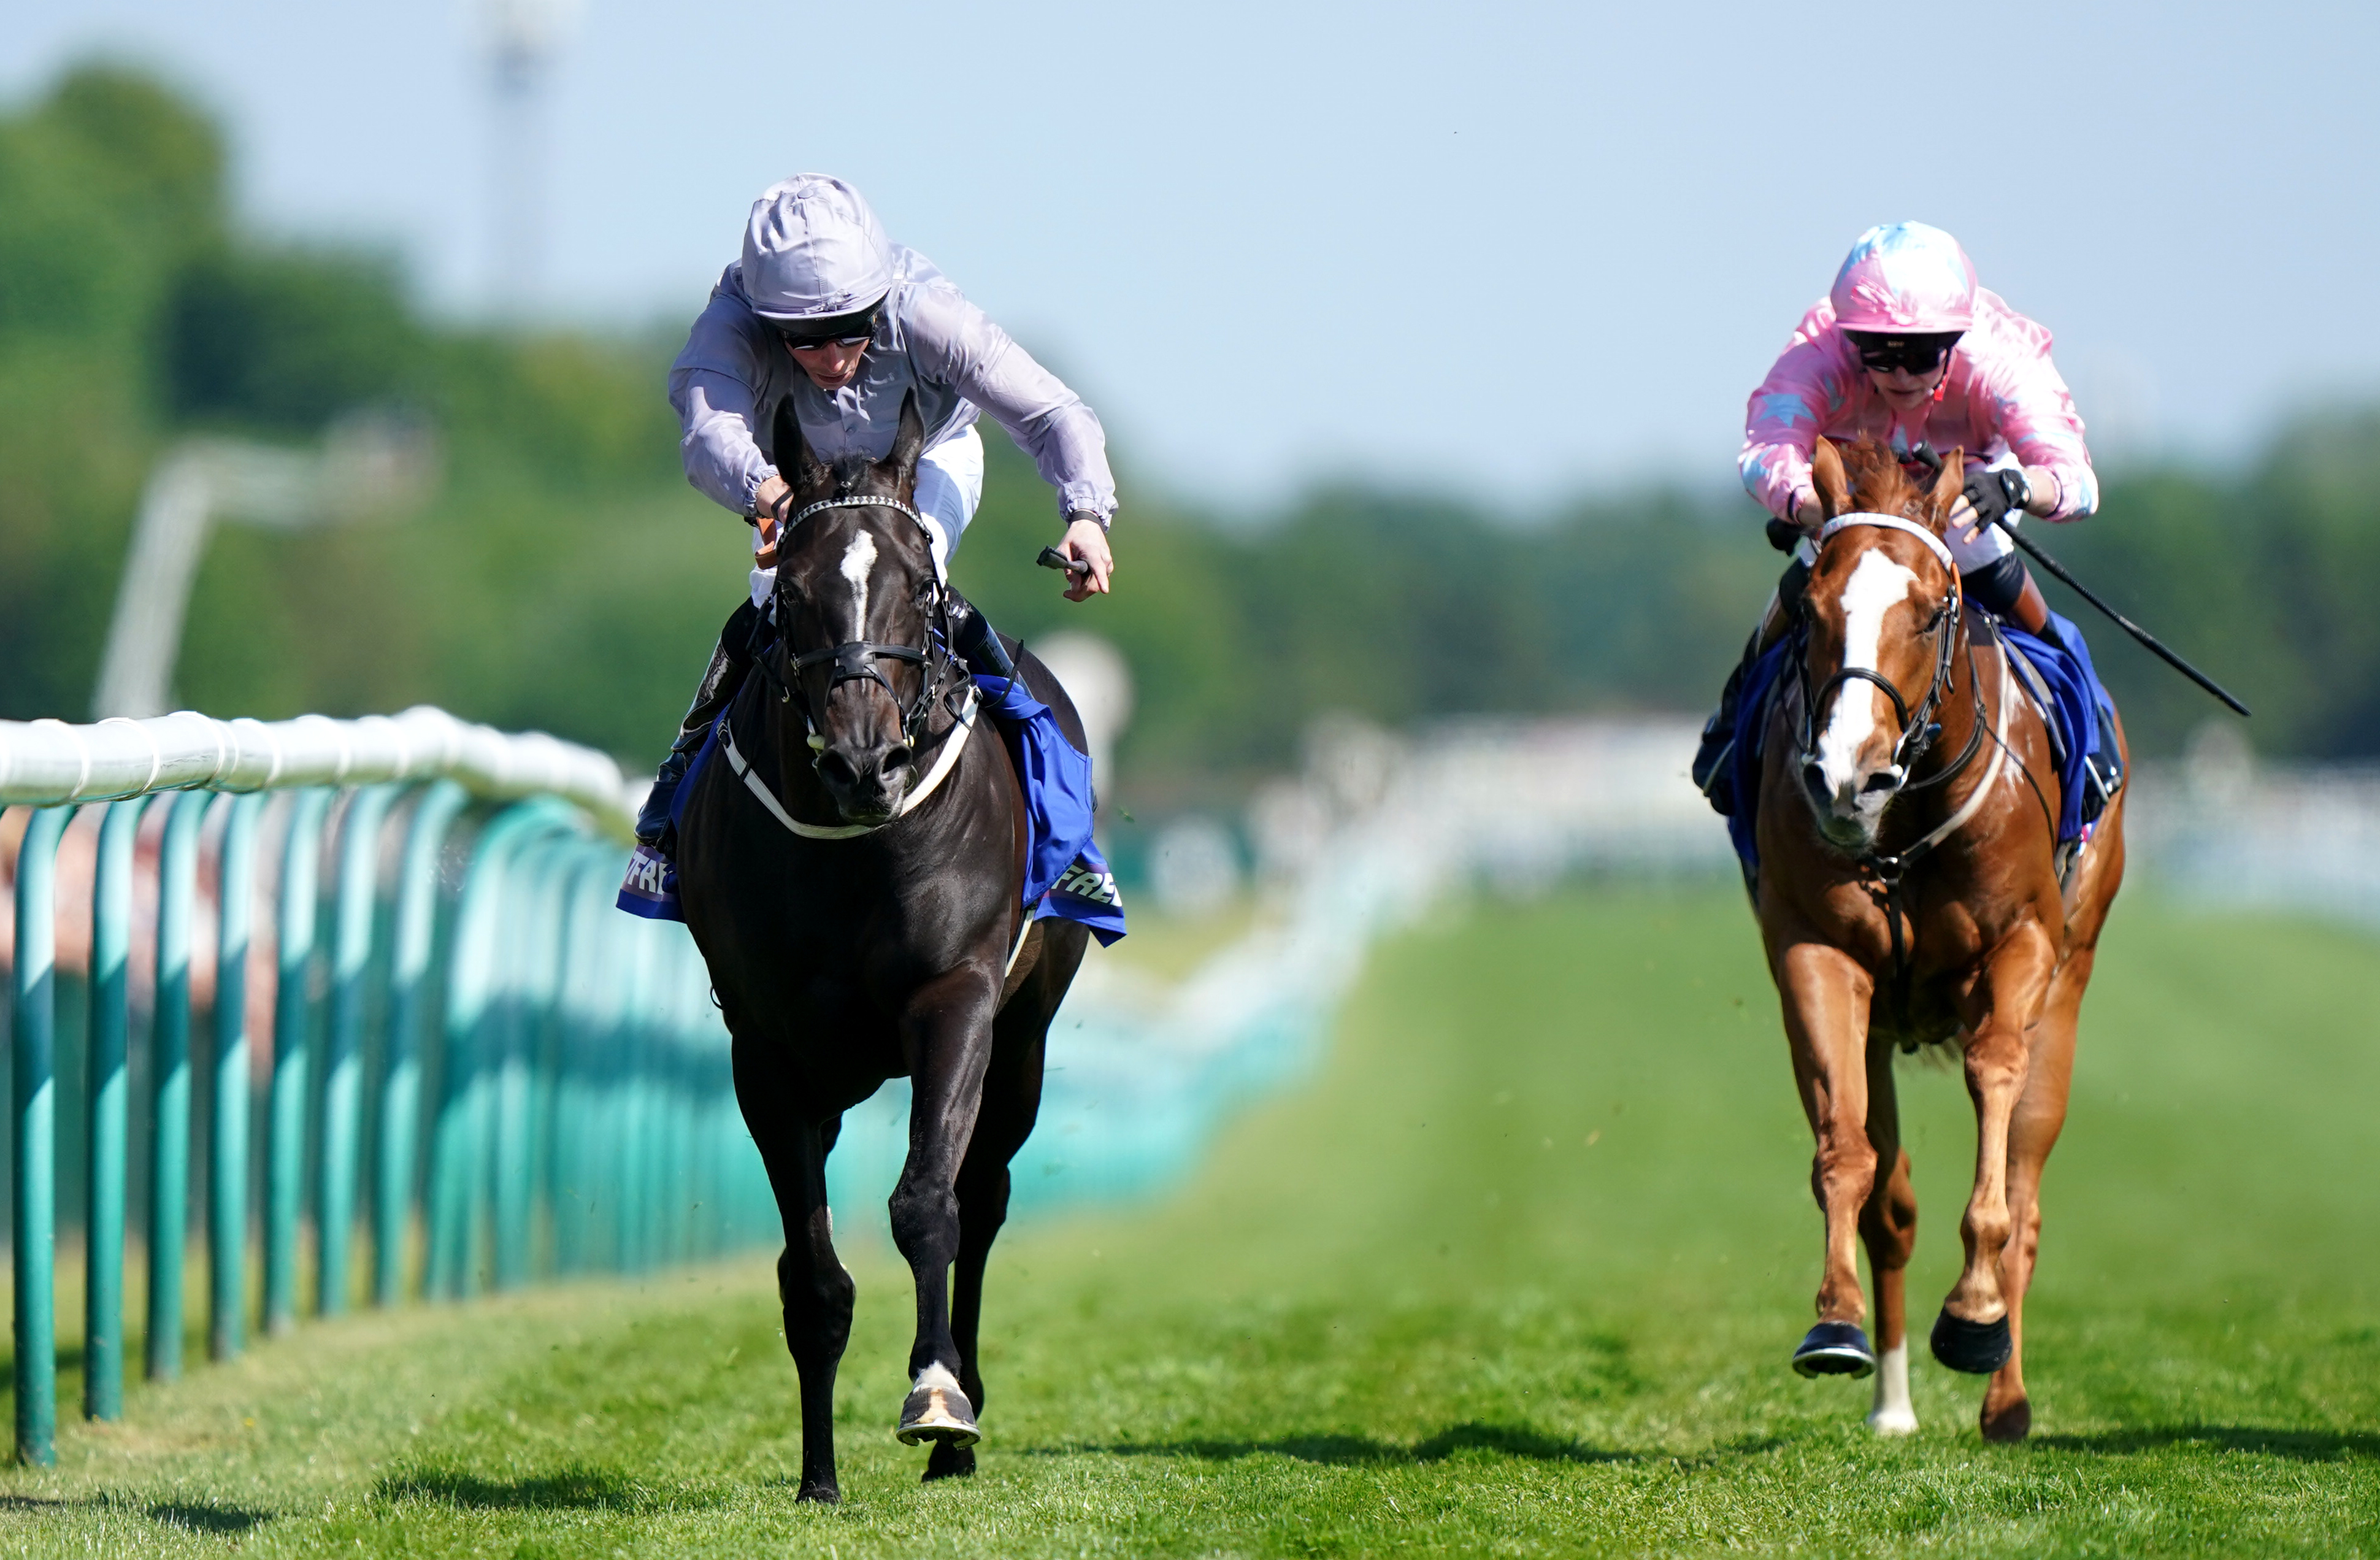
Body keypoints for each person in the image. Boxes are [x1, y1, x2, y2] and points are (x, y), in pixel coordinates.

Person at [632, 173, 1118, 854]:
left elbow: (1051, 411)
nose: (832, 359)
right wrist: (773, 497)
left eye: (851, 330)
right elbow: (708, 434)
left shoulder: (925, 313)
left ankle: (1055, 803)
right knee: (776, 593)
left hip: (927, 459)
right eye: (803, 338)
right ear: (769, 317)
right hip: (797, 481)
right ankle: (674, 800)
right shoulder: (731, 323)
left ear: (878, 301)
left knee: (912, 577)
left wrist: (1086, 510)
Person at [1694, 220, 2113, 815]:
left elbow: (2079, 482)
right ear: (1849, 341)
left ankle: (2087, 736)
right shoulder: (1818, 355)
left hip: (1960, 508)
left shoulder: (1999, 363)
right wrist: (1810, 505)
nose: (1899, 376)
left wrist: (2015, 485)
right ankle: (1735, 726)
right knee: (1792, 615)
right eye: (1878, 355)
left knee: (2051, 636)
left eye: (1919, 357)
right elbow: (1767, 449)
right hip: (1853, 513)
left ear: (1954, 341)